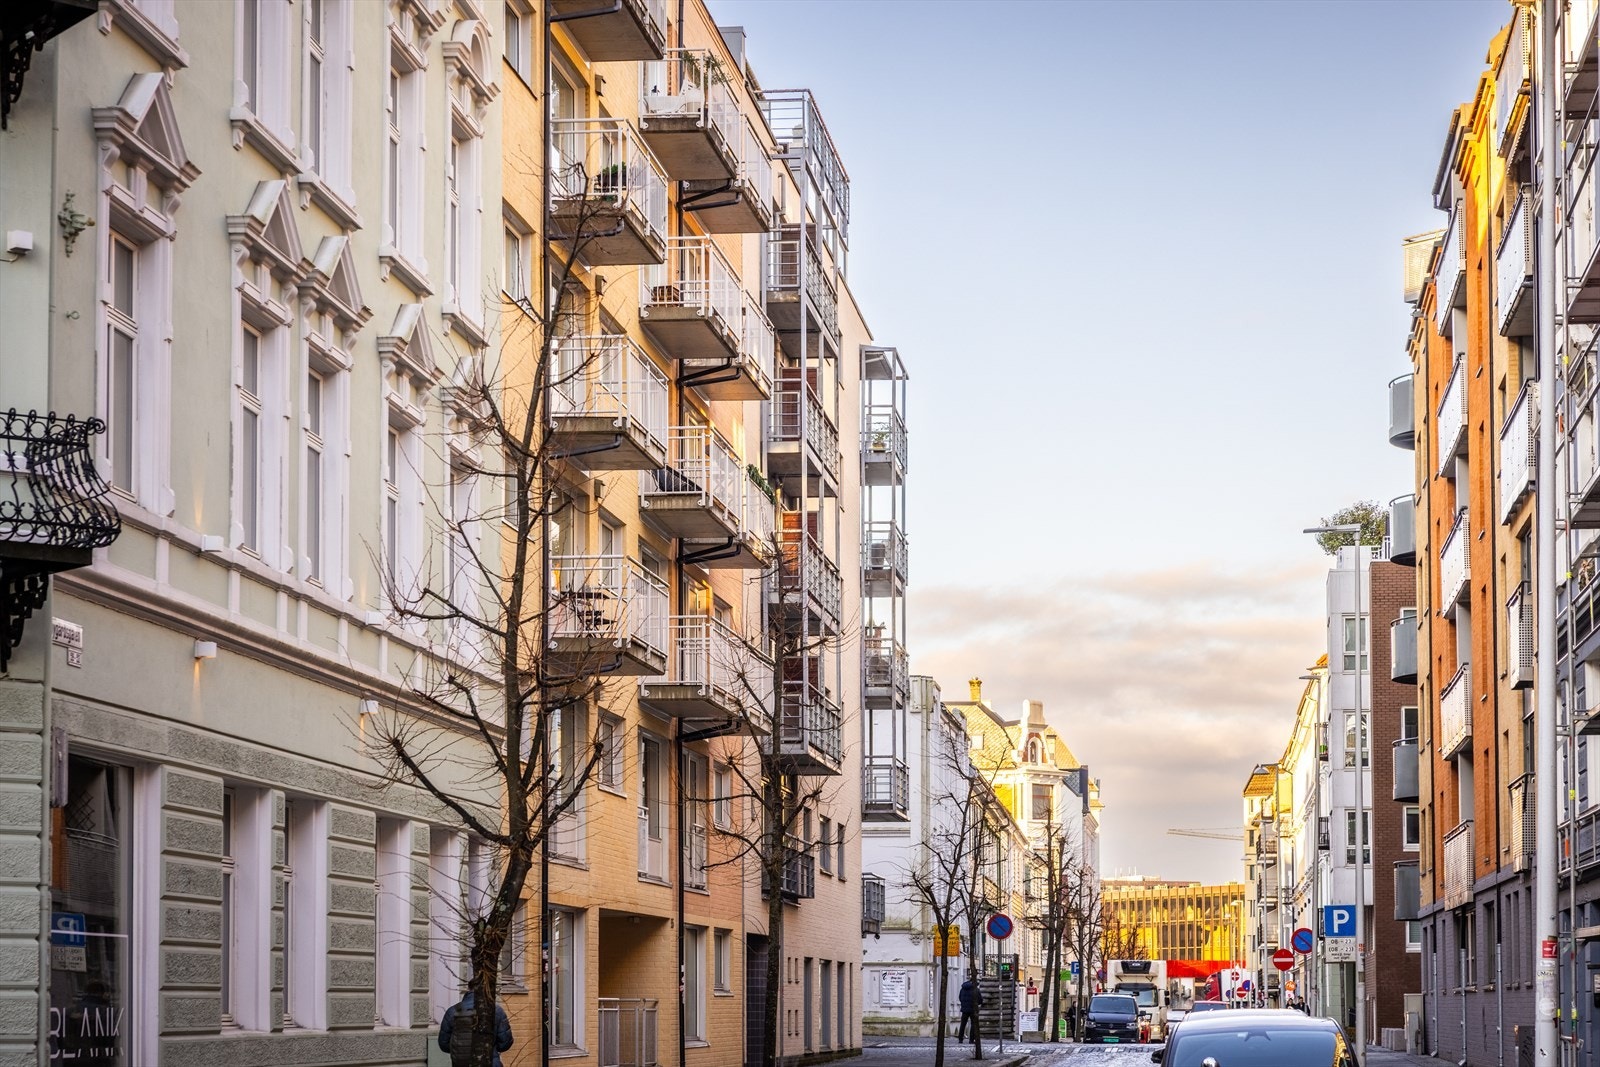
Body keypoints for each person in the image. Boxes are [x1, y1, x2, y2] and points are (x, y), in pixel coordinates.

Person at [438, 989, 514, 1067]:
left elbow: (444, 1044)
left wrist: (461, 1050)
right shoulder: (496, 1010)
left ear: (468, 990)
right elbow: (505, 1044)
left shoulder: (452, 1011)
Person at [957, 976, 982, 1042]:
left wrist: (964, 1004)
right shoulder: (976, 989)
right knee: (973, 1024)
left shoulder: (963, 988)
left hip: (964, 1009)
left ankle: (960, 1038)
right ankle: (971, 1039)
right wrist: (976, 1004)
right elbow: (980, 1000)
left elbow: (960, 997)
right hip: (973, 1009)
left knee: (963, 1024)